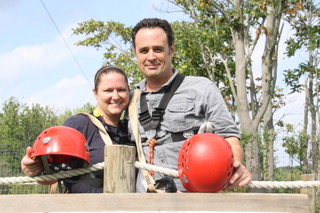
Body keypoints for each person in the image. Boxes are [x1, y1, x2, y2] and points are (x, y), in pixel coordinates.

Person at [130, 18, 252, 192]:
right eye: (144, 50)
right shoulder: (130, 100)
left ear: (171, 51)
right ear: (136, 54)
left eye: (158, 49)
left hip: (195, 198)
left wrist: (236, 164)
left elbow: (229, 136)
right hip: (145, 200)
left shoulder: (201, 88)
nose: (151, 57)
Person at [21, 66, 133, 193]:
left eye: (121, 90)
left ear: (129, 92)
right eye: (108, 90)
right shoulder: (80, 125)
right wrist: (34, 168)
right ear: (95, 93)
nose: (116, 96)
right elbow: (49, 177)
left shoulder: (131, 129)